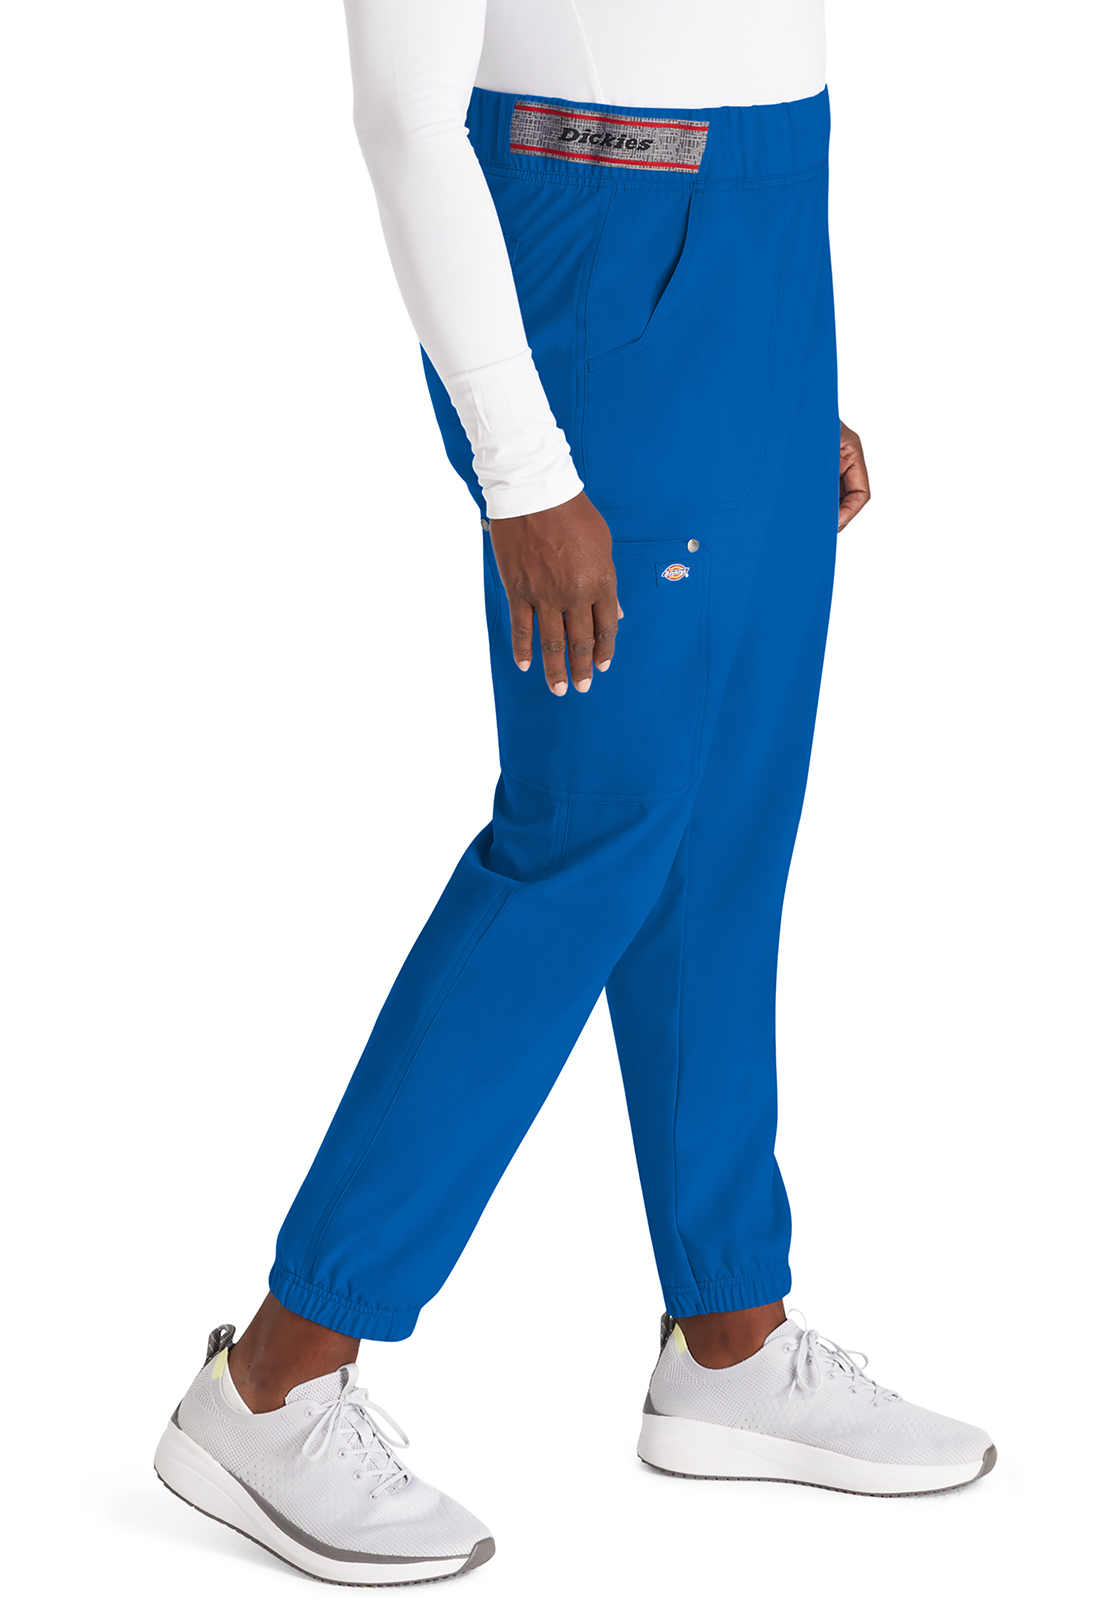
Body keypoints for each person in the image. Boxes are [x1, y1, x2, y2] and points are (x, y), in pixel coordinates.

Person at [153, 0, 995, 1584]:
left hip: (763, 241)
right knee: (588, 841)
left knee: (724, 835)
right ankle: (274, 1375)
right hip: (606, 234)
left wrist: (768, 378)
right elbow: (406, 117)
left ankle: (730, 1337)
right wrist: (525, 467)